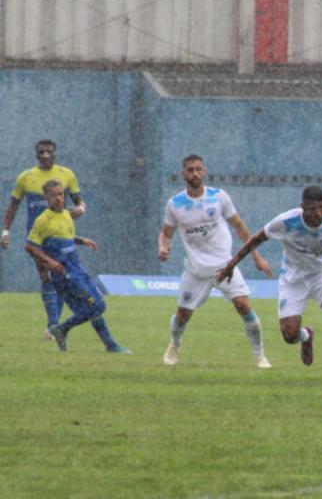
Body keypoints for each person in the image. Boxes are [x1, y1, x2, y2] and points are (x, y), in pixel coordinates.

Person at [216, 185, 322, 387]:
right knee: (289, 335)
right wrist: (231, 265)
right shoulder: (286, 221)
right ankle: (306, 335)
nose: (318, 213)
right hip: (293, 278)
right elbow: (255, 240)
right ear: (303, 207)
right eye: (312, 209)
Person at [2, 139, 128, 352]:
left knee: (90, 305)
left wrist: (81, 239)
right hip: (54, 257)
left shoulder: (66, 210)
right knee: (92, 303)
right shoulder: (35, 199)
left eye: (62, 195)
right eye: (41, 152)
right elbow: (24, 232)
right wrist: (6, 231)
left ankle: (100, 341)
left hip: (74, 265)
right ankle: (56, 325)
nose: (45, 155)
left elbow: (78, 207)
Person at [158, 155, 272, 369]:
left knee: (244, 306)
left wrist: (257, 257)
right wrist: (163, 247)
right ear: (183, 173)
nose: (195, 174)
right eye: (190, 170)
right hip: (196, 271)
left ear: (205, 172)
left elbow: (239, 226)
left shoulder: (219, 197)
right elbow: (165, 233)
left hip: (225, 267)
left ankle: (260, 356)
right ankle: (175, 343)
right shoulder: (175, 204)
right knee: (182, 316)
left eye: (199, 169)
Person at [24, 180, 126, 352]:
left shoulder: (65, 214)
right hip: (65, 274)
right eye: (54, 195)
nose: (59, 198)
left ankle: (109, 344)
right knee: (97, 306)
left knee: (92, 308)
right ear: (47, 198)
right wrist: (50, 262)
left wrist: (81, 240)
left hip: (77, 269)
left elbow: (65, 237)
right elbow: (30, 246)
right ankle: (62, 329)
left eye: (61, 194)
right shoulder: (42, 220)